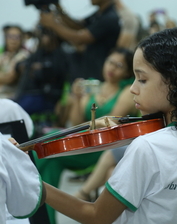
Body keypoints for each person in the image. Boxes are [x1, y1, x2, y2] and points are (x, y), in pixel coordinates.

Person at [17, 27, 177, 224]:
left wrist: (35, 185)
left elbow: (97, 216)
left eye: (142, 79)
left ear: (176, 82)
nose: (133, 88)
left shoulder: (149, 147)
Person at [33, 47, 137, 224]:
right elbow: (76, 124)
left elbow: (110, 124)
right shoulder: (93, 86)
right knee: (51, 161)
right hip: (84, 141)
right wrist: (77, 98)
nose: (112, 68)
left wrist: (96, 103)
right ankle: (44, 219)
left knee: (46, 151)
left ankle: (27, 184)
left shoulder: (127, 91)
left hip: (105, 145)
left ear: (127, 71)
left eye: (119, 65)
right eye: (110, 62)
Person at [40, 0, 121, 81]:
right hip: (92, 69)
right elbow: (79, 26)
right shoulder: (100, 14)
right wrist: (59, 9)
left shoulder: (109, 18)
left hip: (99, 73)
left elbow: (80, 38)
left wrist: (53, 25)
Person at [14, 26, 68, 116]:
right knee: (10, 106)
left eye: (45, 35)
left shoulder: (60, 55)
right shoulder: (40, 52)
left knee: (17, 111)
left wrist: (37, 69)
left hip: (47, 97)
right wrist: (27, 67)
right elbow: (19, 65)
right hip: (28, 94)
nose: (42, 38)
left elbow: (47, 74)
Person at [0, 25, 30, 99]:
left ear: (22, 39)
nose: (13, 40)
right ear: (5, 38)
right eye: (10, 36)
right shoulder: (4, 56)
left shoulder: (24, 56)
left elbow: (10, 78)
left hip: (11, 97)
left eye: (16, 37)